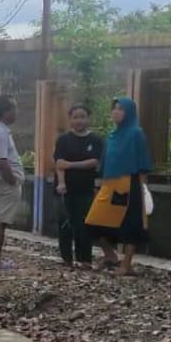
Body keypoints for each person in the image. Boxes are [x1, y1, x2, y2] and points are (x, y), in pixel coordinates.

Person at [86, 98, 152, 277]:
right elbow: (105, 164)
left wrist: (142, 187)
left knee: (131, 225)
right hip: (109, 185)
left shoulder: (136, 133)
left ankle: (127, 264)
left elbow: (144, 163)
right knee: (93, 222)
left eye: (120, 109)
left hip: (129, 185)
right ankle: (110, 256)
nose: (116, 112)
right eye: (114, 108)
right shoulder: (112, 135)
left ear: (129, 112)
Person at [53, 104, 104, 269]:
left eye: (82, 116)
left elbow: (94, 162)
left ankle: (85, 259)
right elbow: (59, 163)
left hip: (86, 189)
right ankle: (66, 258)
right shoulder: (63, 139)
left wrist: (71, 165)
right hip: (65, 189)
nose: (79, 120)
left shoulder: (96, 140)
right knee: (65, 223)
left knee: (84, 225)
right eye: (75, 117)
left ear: (88, 119)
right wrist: (61, 183)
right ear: (70, 120)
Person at [0, 95, 24, 270]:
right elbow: (2, 161)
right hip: (5, 182)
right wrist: (13, 180)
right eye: (14, 109)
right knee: (0, 221)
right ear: (5, 111)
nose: (16, 113)